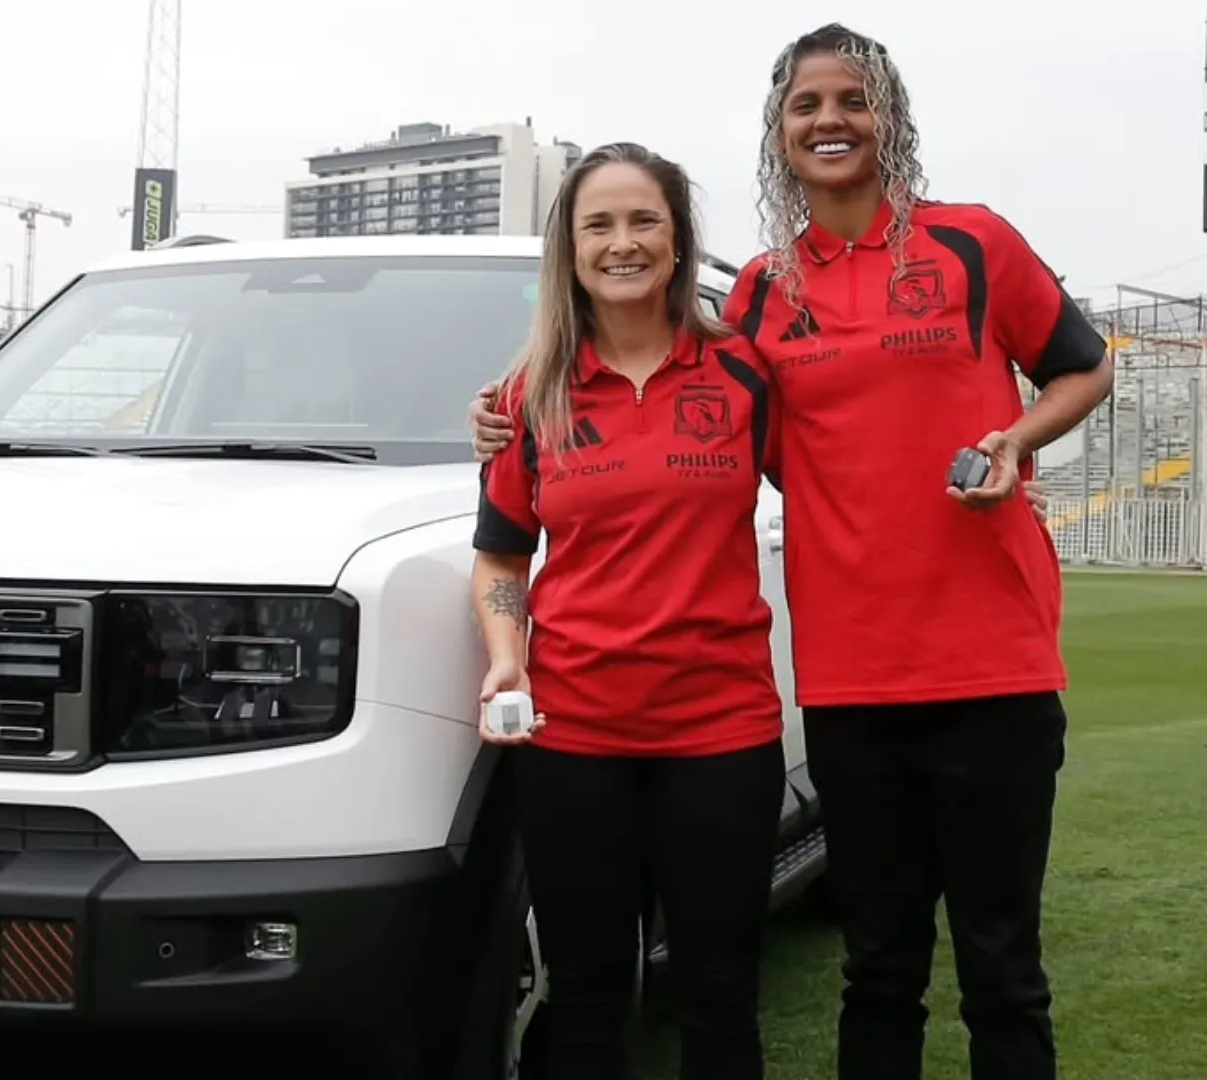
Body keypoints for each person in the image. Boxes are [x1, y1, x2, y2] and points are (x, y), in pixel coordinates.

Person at [468, 24, 1113, 1080]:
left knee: (1003, 970)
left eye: (852, 100)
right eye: (805, 106)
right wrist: (508, 403)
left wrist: (1013, 439)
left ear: (889, 118)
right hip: (851, 686)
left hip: (994, 666)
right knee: (880, 968)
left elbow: (1083, 370)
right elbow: (637, 370)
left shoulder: (973, 244)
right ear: (777, 136)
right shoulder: (766, 296)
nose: (830, 120)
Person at [471, 140, 787, 1080]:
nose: (622, 243)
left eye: (644, 219)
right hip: (575, 739)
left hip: (723, 733)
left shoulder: (744, 374)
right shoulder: (530, 398)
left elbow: (839, 474)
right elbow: (500, 556)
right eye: (597, 225)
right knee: (588, 994)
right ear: (568, 251)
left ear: (679, 240)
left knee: (720, 991)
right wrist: (505, 654)